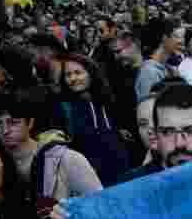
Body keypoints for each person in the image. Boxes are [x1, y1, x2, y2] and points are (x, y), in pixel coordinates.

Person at [0, 87, 102, 209]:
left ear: (30, 123)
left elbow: (99, 204)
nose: (5, 130)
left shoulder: (68, 158)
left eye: (13, 122)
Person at [53, 53, 132, 187]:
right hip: (91, 178)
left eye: (78, 72)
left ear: (90, 73)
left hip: (121, 172)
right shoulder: (65, 107)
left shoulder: (105, 99)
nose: (73, 78)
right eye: (68, 75)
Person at [134, 19, 183, 102]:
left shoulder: (167, 68)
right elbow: (148, 108)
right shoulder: (149, 72)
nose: (180, 41)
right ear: (164, 38)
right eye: (175, 36)